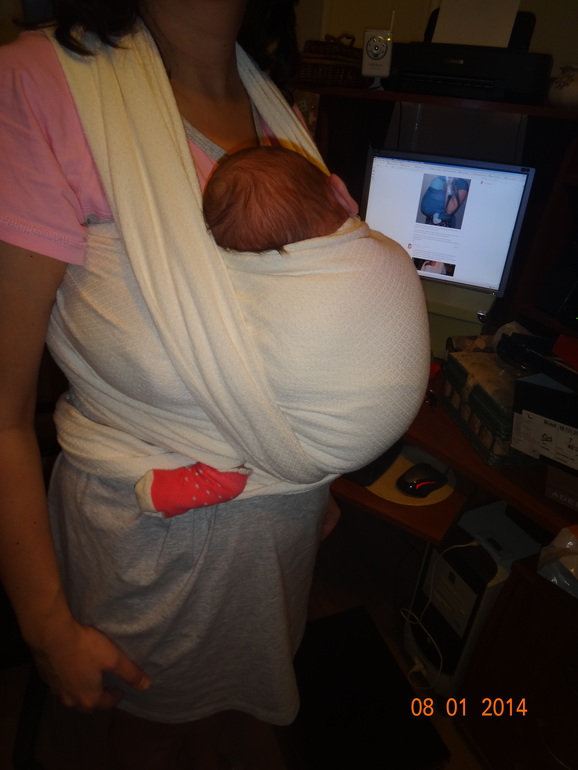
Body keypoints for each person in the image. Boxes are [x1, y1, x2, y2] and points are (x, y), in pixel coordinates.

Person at [0, 2, 431, 769]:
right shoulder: (39, 86)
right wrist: (45, 624)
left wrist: (315, 479)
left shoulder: (274, 104)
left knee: (228, 721)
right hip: (150, 558)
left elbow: (304, 336)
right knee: (149, 734)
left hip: (279, 547)